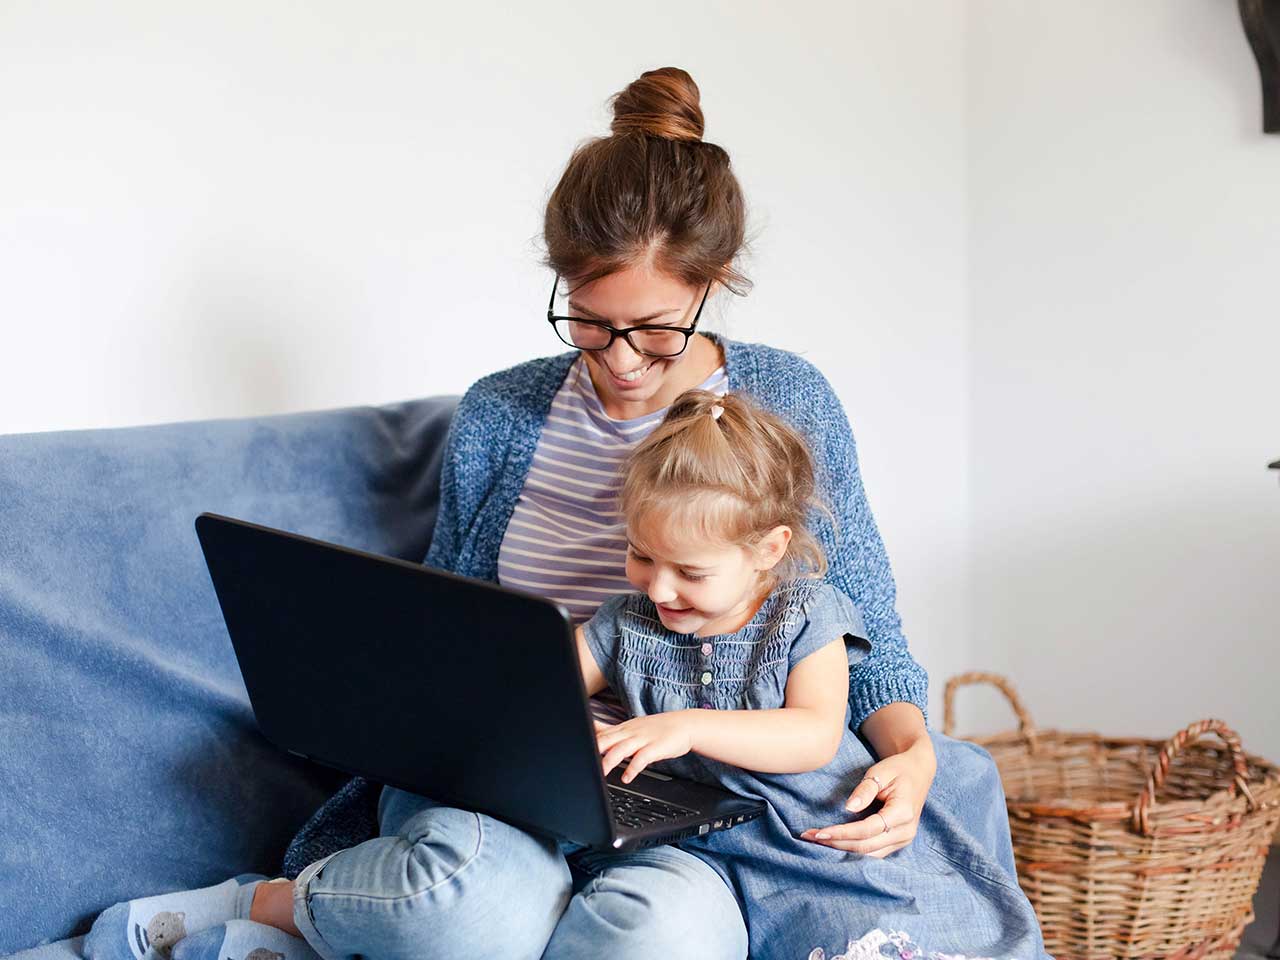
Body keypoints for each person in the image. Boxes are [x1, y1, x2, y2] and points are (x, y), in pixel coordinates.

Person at [85, 67, 1046, 960]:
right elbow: (454, 624)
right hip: (501, 778)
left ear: (715, 285)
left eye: (658, 330)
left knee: (661, 937)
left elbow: (859, 618)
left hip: (687, 799)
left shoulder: (787, 402)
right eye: (590, 322)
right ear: (561, 278)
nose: (622, 359)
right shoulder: (501, 414)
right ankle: (260, 909)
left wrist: (913, 757)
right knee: (470, 904)